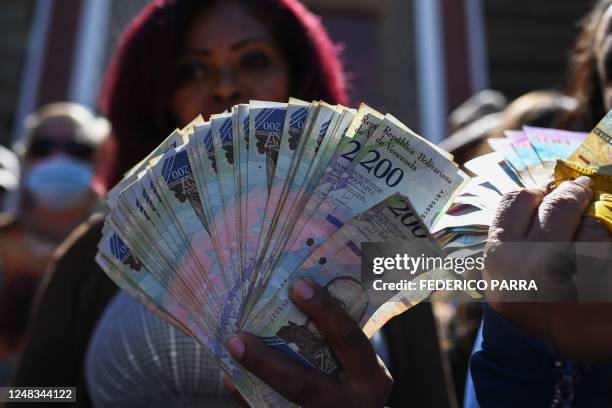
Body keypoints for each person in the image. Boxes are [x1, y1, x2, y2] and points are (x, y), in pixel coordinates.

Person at [11, 1, 447, 407]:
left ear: (300, 82)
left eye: (253, 59)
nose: (225, 87)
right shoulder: (97, 253)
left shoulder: (383, 248)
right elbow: (36, 394)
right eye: (192, 70)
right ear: (158, 101)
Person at [0, 102, 108, 385]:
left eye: (78, 149)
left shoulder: (117, 257)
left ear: (98, 162)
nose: (59, 158)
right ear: (24, 160)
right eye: (43, 147)